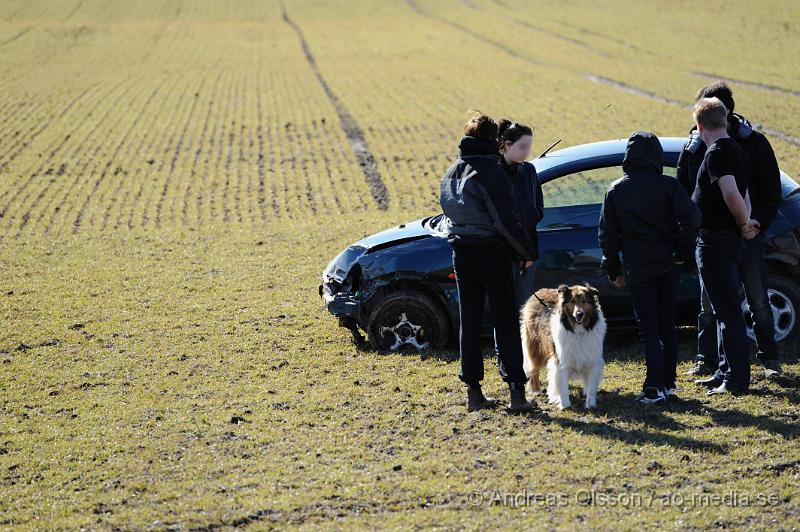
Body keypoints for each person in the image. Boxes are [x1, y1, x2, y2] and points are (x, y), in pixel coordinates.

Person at [677, 81, 783, 379]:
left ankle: (768, 359)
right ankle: (707, 359)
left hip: (745, 235)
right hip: (714, 235)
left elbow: (765, 191)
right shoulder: (696, 146)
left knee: (759, 300)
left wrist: (754, 224)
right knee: (709, 304)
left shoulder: (751, 144)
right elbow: (685, 189)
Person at [439, 110, 539, 414]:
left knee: (468, 322)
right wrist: (525, 252)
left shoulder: (452, 171)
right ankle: (517, 395)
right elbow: (505, 220)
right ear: (493, 140)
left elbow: (448, 212)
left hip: (461, 252)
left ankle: (474, 393)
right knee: (505, 320)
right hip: (491, 253)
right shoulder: (490, 172)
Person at [598, 131, 701, 405]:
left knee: (649, 329)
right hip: (669, 264)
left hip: (638, 266)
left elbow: (608, 235)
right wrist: (682, 252)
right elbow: (693, 218)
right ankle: (668, 383)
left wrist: (613, 270)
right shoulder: (669, 186)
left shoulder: (616, 190)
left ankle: (653, 387)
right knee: (668, 324)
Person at [690, 97, 758, 396]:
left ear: (699, 125)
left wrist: (744, 223)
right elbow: (744, 192)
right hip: (727, 239)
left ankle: (736, 380)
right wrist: (747, 220)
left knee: (727, 313)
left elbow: (731, 193)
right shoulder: (736, 149)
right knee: (724, 310)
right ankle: (724, 372)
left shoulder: (716, 153)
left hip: (716, 240)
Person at [492, 119, 544, 359]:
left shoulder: (530, 171)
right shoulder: (494, 172)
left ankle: (524, 355)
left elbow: (537, 208)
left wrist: (528, 251)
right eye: (522, 146)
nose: (527, 152)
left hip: (528, 252)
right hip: (502, 253)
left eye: (529, 146)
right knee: (503, 309)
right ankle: (504, 355)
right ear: (506, 145)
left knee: (525, 309)